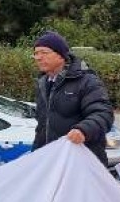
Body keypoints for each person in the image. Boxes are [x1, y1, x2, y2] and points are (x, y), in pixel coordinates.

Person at [31, 31, 114, 165]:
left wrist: (83, 130)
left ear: (61, 55)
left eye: (44, 52)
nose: (38, 57)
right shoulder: (43, 83)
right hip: (52, 162)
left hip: (81, 162)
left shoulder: (86, 81)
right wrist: (36, 155)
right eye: (36, 53)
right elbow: (42, 127)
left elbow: (103, 113)